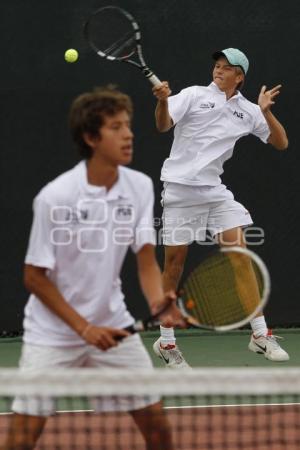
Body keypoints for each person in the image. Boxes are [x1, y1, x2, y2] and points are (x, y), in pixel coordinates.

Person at [2, 86, 180, 450]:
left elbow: (145, 260)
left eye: (128, 125)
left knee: (160, 433)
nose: (129, 134)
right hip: (53, 333)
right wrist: (83, 328)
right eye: (116, 127)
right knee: (22, 438)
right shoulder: (56, 197)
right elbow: (33, 277)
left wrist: (160, 302)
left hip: (113, 324)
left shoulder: (140, 187)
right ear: (90, 137)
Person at [151, 48, 289, 368]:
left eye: (227, 68)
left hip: (214, 193)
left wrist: (266, 112)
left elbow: (281, 142)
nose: (219, 71)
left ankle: (258, 334)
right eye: (217, 65)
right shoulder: (194, 95)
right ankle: (166, 341)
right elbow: (162, 125)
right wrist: (161, 101)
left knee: (240, 255)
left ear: (239, 76)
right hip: (180, 191)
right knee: (174, 266)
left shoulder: (249, 110)